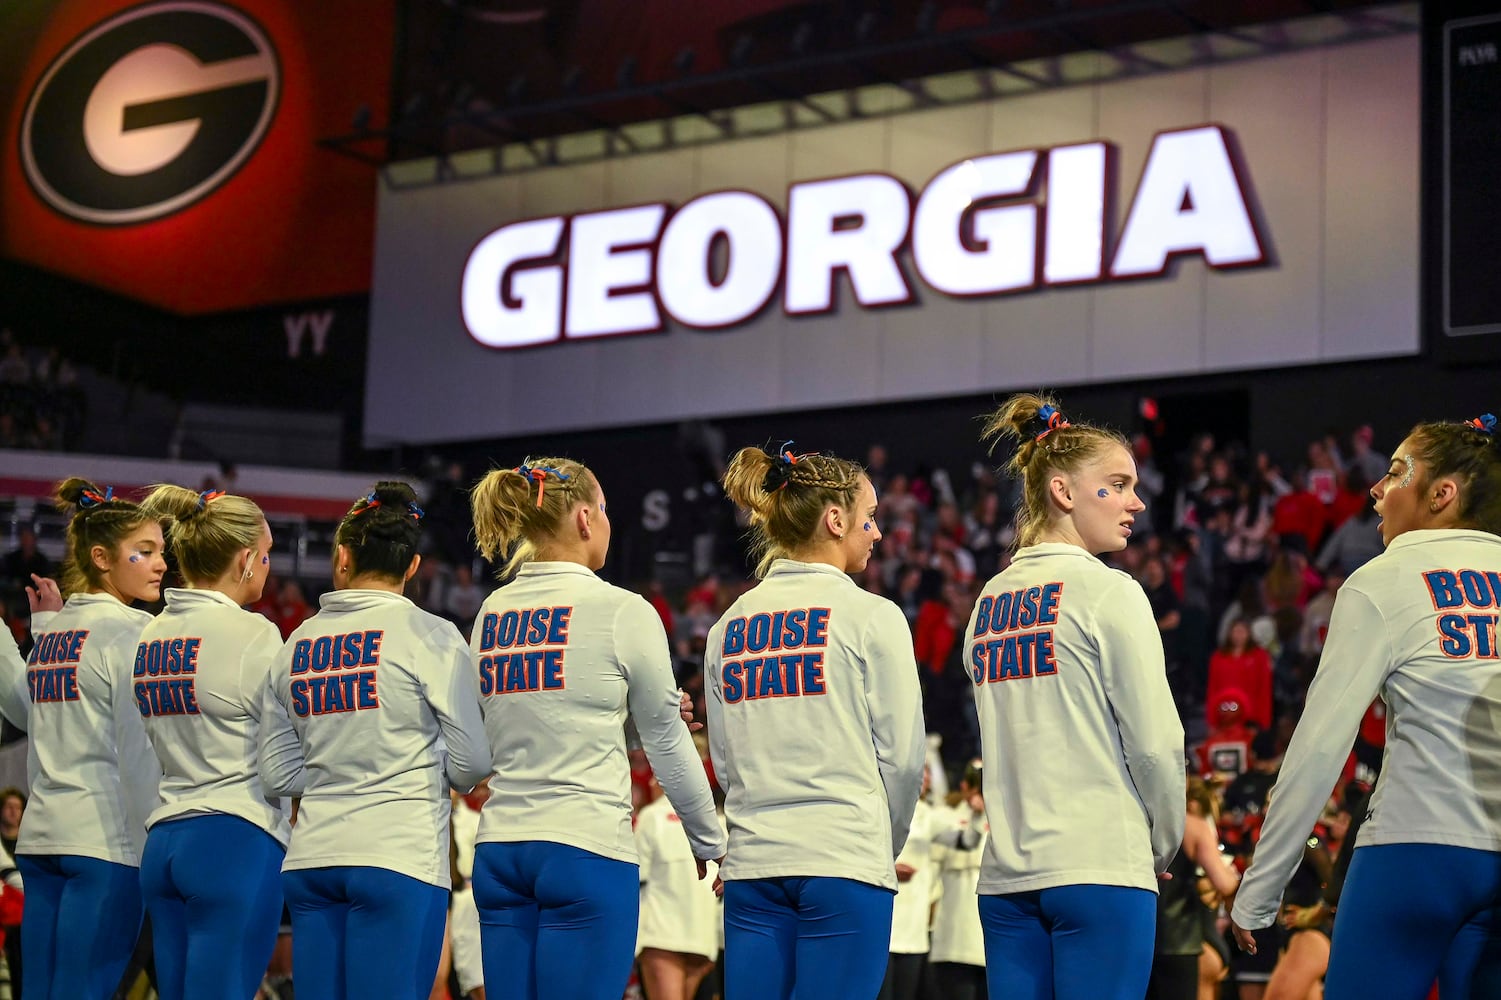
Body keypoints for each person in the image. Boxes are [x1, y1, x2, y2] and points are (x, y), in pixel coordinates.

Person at [1231, 413, 1501, 999]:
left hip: (1413, 850)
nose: (1377, 489)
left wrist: (1261, 887)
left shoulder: (1381, 580)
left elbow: (1320, 746)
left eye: (1397, 472)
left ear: (1442, 494)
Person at [466, 459, 724, 1000]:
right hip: (583, 849)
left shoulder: (493, 611)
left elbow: (511, 731)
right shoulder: (621, 609)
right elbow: (668, 742)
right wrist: (709, 838)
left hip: (502, 850)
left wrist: (625, 724)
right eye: (605, 510)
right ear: (585, 518)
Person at [966, 396, 1185, 1000]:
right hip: (1101, 865)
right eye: (1117, 485)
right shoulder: (1110, 592)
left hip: (1008, 875)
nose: (1135, 502)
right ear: (1063, 491)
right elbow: (1158, 744)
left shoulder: (987, 602)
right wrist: (1161, 841)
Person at [707, 442, 926, 1000]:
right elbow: (902, 761)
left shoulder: (727, 626)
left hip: (756, 863)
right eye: (870, 518)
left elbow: (726, 764)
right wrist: (884, 843)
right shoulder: (873, 616)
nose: (876, 533)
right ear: (835, 520)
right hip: (843, 858)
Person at [259, 482, 490, 1000]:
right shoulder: (430, 634)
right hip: (397, 858)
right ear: (412, 567)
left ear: (343, 555)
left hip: (313, 860)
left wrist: (332, 770)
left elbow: (275, 774)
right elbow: (473, 762)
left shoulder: (298, 639)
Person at [134, 484, 287, 1000]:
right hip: (233, 840)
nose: (267, 568)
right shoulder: (254, 634)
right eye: (264, 556)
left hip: (164, 842)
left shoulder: (151, 634)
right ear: (244, 559)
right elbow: (287, 746)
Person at [18, 479, 164, 999]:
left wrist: (40, 629)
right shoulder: (131, 635)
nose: (160, 564)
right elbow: (140, 754)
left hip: (40, 841)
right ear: (102, 557)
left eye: (160, 552)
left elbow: (26, 714)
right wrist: (157, 847)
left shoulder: (54, 632)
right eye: (143, 552)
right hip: (104, 846)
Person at [1146, 777, 1241, 1000]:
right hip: (1180, 940)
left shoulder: (1138, 821)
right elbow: (1224, 883)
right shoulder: (1194, 826)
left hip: (1140, 935)